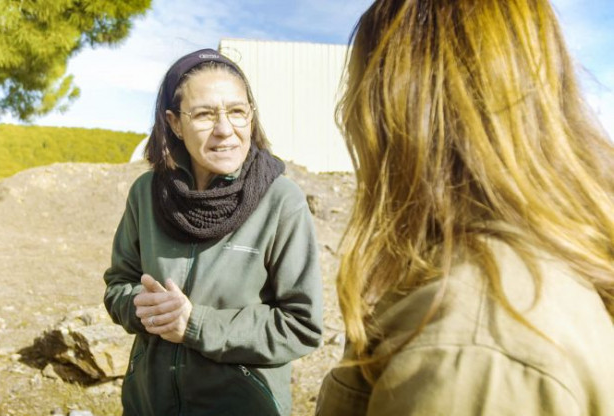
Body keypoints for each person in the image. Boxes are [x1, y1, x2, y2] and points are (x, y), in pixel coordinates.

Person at [316, 0, 614, 415]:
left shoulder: (472, 342)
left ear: (401, 111)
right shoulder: (522, 270)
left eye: (360, 90)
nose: (350, 115)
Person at [103, 48, 323, 415]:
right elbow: (118, 285)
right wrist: (141, 307)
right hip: (148, 405)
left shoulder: (281, 201)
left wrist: (195, 324)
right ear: (175, 123)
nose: (225, 129)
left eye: (237, 111)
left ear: (251, 115)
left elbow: (301, 325)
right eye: (204, 114)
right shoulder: (146, 194)